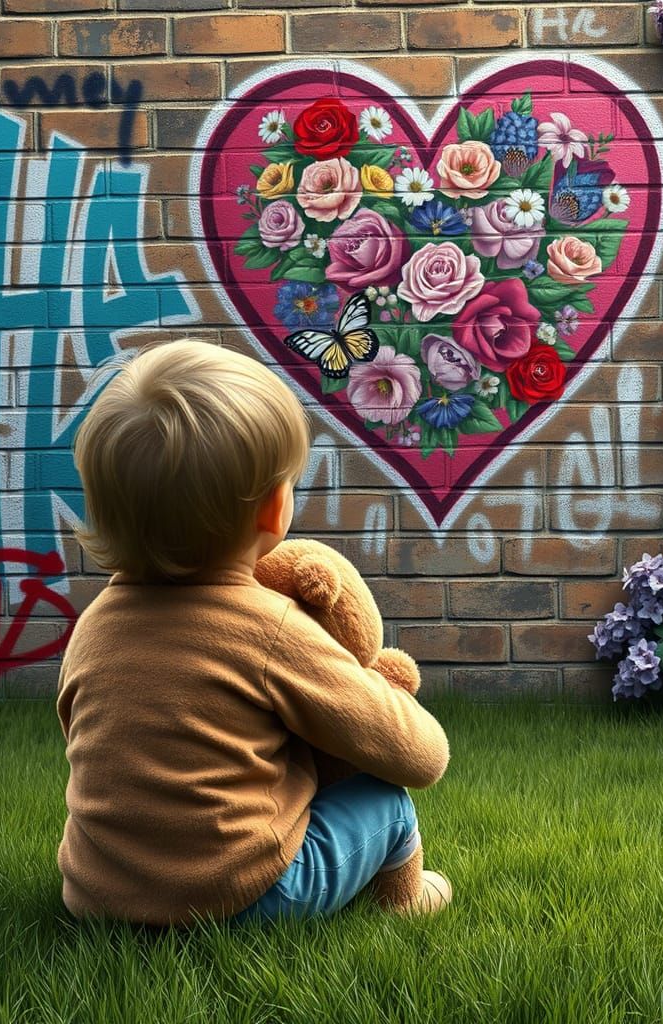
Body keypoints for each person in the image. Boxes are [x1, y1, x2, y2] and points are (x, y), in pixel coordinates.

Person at [56, 338, 452, 928]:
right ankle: (406, 899)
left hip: (99, 893)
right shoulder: (271, 627)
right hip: (243, 896)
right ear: (272, 508)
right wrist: (378, 688)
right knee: (386, 802)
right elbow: (422, 757)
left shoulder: (94, 625)